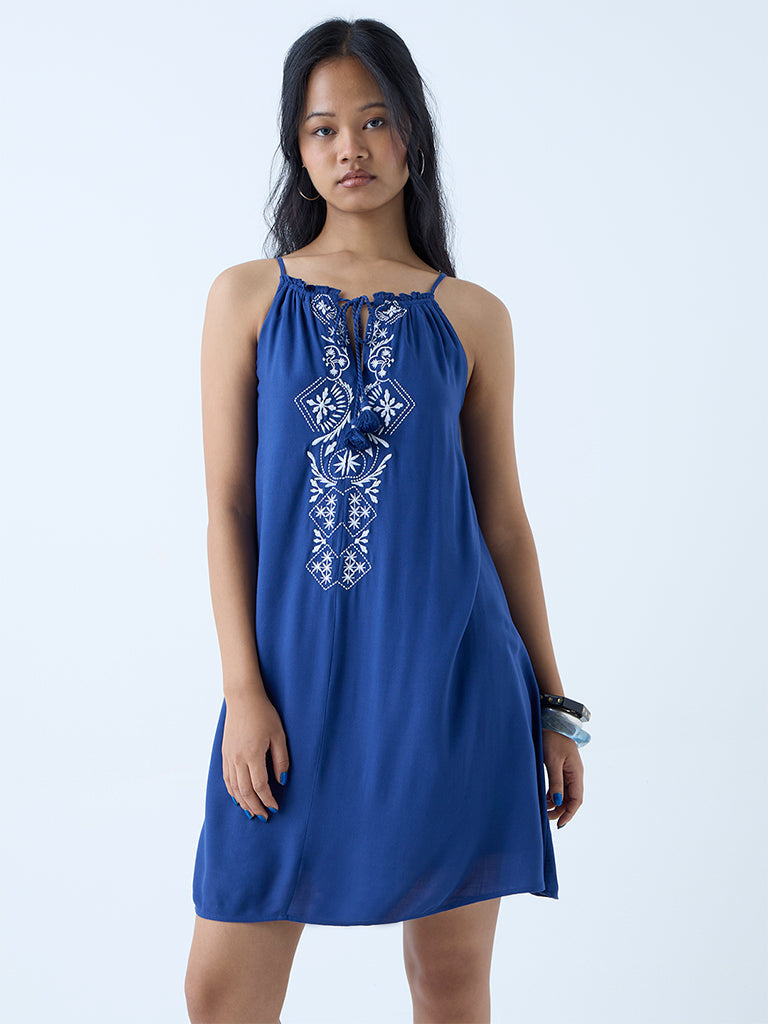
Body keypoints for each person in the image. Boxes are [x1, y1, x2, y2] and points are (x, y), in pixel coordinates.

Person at [184, 16, 587, 1024]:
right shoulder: (245, 299)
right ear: (298, 148)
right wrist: (243, 690)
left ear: (412, 134)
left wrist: (554, 708)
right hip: (285, 697)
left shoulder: (472, 316)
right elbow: (227, 506)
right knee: (220, 993)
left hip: (450, 692)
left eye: (373, 121)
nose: (349, 149)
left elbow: (504, 524)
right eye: (322, 129)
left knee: (448, 985)